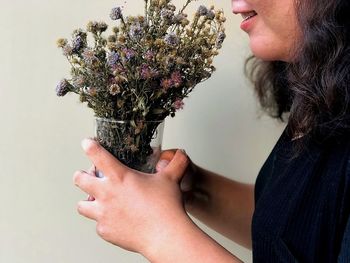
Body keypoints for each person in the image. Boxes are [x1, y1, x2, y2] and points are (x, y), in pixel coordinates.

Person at [73, 0, 350, 262]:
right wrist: (191, 188)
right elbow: (299, 232)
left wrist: (159, 233)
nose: (235, 4)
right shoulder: (328, 105)